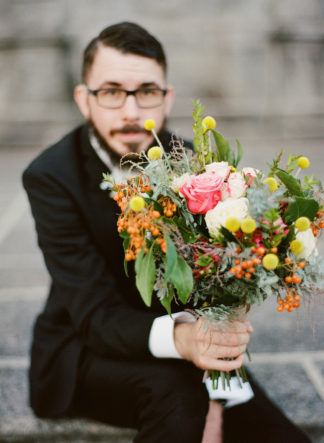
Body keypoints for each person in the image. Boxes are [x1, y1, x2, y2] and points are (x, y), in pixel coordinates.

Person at [23, 22, 310, 442]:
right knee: (180, 398)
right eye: (111, 91)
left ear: (167, 96)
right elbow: (94, 314)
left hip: (191, 346)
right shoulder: (51, 176)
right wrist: (186, 342)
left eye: (147, 91)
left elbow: (212, 280)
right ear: (84, 100)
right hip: (84, 349)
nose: (131, 111)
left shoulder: (196, 163)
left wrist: (217, 339)